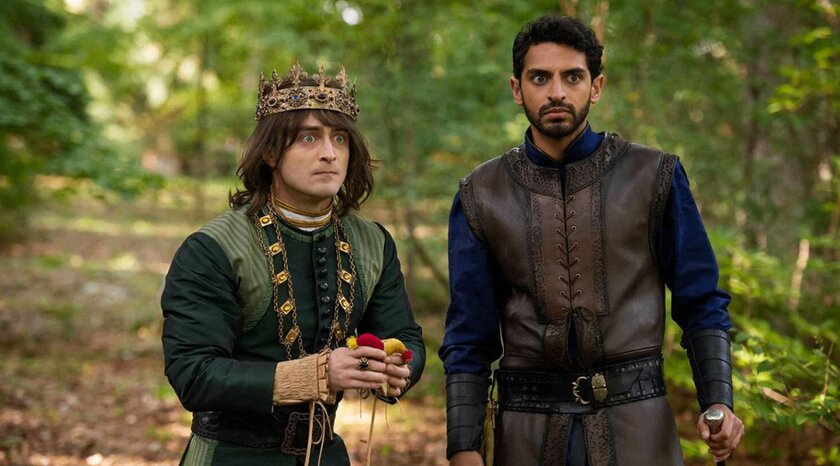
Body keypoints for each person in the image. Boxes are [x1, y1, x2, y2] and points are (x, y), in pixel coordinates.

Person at [440, 15, 744, 466]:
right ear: (516, 88)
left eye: (572, 77)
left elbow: (700, 300)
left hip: (638, 431)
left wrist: (718, 401)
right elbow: (469, 332)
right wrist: (464, 446)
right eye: (539, 78)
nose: (556, 92)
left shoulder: (654, 176)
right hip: (526, 435)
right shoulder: (481, 193)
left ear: (596, 86)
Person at [161, 63, 425, 466]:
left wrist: (396, 366)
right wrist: (317, 374)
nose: (329, 153)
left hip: (325, 455)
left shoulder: (372, 242)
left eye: (340, 138)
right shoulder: (213, 248)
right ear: (270, 152)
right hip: (231, 457)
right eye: (308, 137)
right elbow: (193, 374)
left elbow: (404, 336)